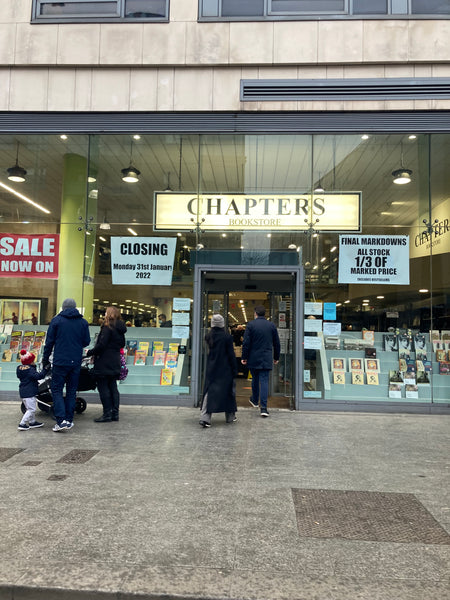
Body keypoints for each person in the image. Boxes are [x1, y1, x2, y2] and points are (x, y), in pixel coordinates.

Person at [42, 298, 90, 432]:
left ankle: (61, 420)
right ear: (75, 308)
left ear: (63, 308)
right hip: (75, 362)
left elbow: (49, 342)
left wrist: (45, 359)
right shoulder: (83, 322)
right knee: (71, 391)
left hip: (59, 361)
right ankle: (69, 420)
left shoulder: (56, 321)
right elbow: (86, 341)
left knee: (56, 390)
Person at [86, 306, 127, 422]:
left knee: (103, 387)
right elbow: (122, 344)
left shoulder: (107, 327)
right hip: (115, 361)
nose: (104, 314)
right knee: (113, 387)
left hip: (104, 362)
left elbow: (102, 345)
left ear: (108, 314)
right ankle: (115, 413)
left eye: (105, 312)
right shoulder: (120, 329)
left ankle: (107, 413)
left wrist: (90, 352)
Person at [241, 305, 280, 418]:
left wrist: (244, 357)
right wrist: (276, 357)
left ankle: (254, 400)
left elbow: (246, 343)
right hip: (267, 357)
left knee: (255, 379)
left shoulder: (251, 325)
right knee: (264, 381)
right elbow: (276, 343)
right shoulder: (271, 325)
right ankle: (264, 408)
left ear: (255, 314)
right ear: (265, 314)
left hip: (253, 357)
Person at [199, 314, 237, 428]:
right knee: (228, 391)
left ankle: (205, 417)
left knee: (209, 392)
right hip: (225, 368)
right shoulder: (227, 337)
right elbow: (231, 354)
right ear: (222, 324)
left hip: (212, 368)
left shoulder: (208, 336)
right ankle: (230, 417)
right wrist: (235, 369)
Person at [16, 350, 48, 431]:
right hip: (29, 392)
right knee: (31, 409)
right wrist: (45, 369)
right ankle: (22, 424)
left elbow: (29, 376)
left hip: (23, 392)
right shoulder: (29, 369)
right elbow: (39, 376)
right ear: (30, 362)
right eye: (33, 360)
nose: (34, 362)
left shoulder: (20, 368)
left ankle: (32, 422)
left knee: (29, 408)